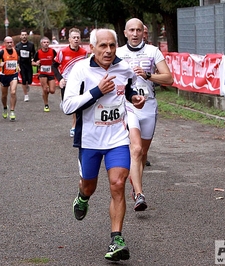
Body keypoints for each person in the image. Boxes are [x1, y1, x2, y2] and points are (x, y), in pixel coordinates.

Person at [62, 28, 145, 261]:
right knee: (89, 186)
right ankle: (82, 196)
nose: (108, 51)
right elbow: (67, 106)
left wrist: (135, 98)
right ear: (92, 47)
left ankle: (116, 238)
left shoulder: (124, 68)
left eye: (112, 45)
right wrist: (97, 91)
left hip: (117, 137)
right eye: (103, 46)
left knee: (118, 183)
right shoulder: (81, 70)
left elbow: (127, 90)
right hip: (89, 140)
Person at [116, 18, 173, 211]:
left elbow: (169, 78)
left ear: (143, 32)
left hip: (148, 105)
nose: (134, 33)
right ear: (125, 33)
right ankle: (139, 194)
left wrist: (148, 75)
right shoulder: (118, 53)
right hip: (128, 105)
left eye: (138, 30)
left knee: (143, 153)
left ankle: (135, 185)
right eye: (131, 30)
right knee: (136, 149)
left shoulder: (152, 51)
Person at [52, 28, 87, 137]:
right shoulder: (62, 52)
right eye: (74, 37)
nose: (76, 39)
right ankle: (63, 102)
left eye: (78, 37)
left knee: (77, 104)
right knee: (67, 107)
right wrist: (60, 79)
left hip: (79, 82)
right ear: (69, 39)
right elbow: (54, 66)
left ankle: (74, 126)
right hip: (66, 82)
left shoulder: (84, 53)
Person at [0, 36, 19, 121]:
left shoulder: (16, 51)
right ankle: (4, 107)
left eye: (11, 42)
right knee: (4, 95)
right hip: (4, 76)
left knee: (13, 92)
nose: (10, 44)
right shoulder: (2, 53)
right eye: (8, 43)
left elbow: (19, 60)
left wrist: (18, 65)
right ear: (5, 44)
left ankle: (12, 111)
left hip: (13, 75)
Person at [33, 37, 57, 112]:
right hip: (42, 73)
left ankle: (46, 93)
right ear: (41, 44)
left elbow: (57, 60)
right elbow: (32, 62)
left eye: (47, 42)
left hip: (51, 73)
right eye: (44, 42)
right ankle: (46, 105)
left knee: (52, 91)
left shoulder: (53, 51)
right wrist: (36, 63)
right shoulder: (38, 53)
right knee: (45, 89)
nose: (46, 44)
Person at [15, 29, 36, 102]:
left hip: (29, 64)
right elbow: (16, 56)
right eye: (22, 35)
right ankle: (26, 95)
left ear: (27, 36)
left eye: (25, 35)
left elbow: (34, 53)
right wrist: (17, 64)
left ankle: (27, 85)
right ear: (20, 36)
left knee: (29, 80)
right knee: (23, 79)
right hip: (22, 64)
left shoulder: (31, 44)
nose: (24, 36)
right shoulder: (18, 46)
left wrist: (33, 59)